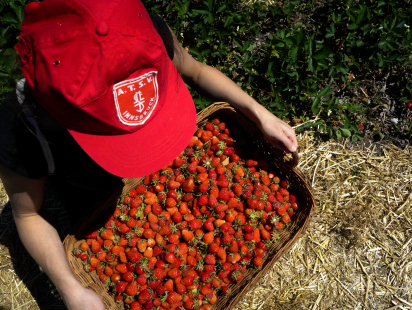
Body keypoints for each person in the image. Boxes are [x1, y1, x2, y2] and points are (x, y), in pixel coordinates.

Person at [0, 0, 298, 309]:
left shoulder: (144, 38)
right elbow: (27, 213)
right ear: (58, 112)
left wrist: (257, 112)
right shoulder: (21, 128)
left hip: (169, 178)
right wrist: (71, 288)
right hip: (95, 204)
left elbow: (195, 70)